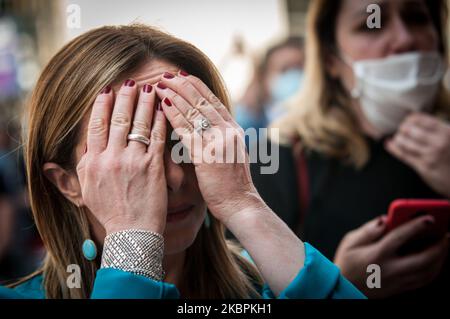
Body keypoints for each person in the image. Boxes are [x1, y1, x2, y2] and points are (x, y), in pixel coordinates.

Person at [0, 25, 363, 299]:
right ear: (67, 182)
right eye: (132, 151)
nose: (174, 177)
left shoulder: (263, 287)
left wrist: (244, 205)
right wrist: (133, 245)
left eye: (187, 142)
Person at [251, 0, 450, 298]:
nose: (405, 39)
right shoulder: (280, 155)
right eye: (372, 24)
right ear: (331, 58)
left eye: (417, 18)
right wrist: (337, 286)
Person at [234, 37, 304, 131]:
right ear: (265, 78)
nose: (293, 75)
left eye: (299, 67)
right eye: (284, 70)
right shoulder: (249, 125)